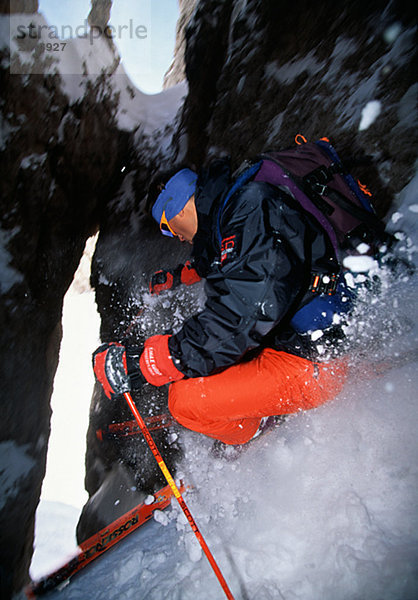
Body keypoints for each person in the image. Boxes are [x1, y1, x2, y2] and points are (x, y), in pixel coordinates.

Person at [93, 159, 349, 446]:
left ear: (177, 206)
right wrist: (177, 277)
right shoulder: (235, 210)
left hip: (319, 363)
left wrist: (156, 361)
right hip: (298, 340)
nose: (174, 236)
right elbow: (232, 259)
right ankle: (255, 411)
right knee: (210, 361)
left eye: (166, 226)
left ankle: (262, 431)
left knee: (184, 401)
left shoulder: (250, 208)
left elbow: (250, 307)